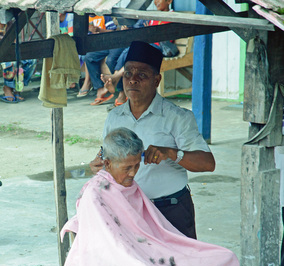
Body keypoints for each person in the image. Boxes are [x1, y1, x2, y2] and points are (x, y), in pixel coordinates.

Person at [62, 127, 239, 266]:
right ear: (107, 164)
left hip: (149, 250)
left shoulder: (129, 185)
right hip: (120, 259)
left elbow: (152, 228)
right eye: (127, 168)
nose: (133, 173)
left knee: (222, 257)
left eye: (136, 165)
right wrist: (142, 259)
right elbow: (110, 246)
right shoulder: (95, 194)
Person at [90, 41, 215, 239]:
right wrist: (98, 164)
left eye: (142, 75)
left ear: (157, 80)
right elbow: (105, 155)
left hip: (170, 211)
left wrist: (171, 153)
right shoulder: (115, 117)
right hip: (128, 209)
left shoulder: (177, 117)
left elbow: (208, 164)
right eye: (128, 73)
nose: (133, 80)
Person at [101, 0, 178, 107]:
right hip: (147, 45)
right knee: (120, 54)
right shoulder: (153, 15)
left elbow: (169, 36)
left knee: (131, 51)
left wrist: (151, 32)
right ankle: (119, 86)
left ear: (169, 1)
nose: (156, 2)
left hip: (159, 48)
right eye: (154, 0)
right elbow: (139, 29)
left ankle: (116, 80)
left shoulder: (174, 16)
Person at [0, 4, 37, 103]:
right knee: (11, 63)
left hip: (11, 52)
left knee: (31, 61)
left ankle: (18, 87)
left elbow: (14, 40)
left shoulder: (9, 22)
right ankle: (7, 88)